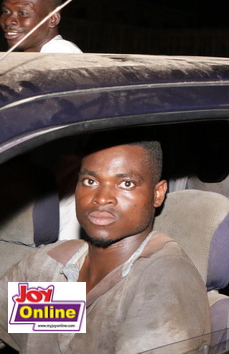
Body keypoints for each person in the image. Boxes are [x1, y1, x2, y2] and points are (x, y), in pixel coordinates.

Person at [0, 131, 210, 354]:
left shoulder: (164, 278)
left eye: (126, 183)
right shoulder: (50, 264)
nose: (101, 197)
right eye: (90, 181)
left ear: (157, 194)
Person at [1, 0, 82, 52]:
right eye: (6, 11)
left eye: (23, 13)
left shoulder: (60, 51)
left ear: (53, 19)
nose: (8, 21)